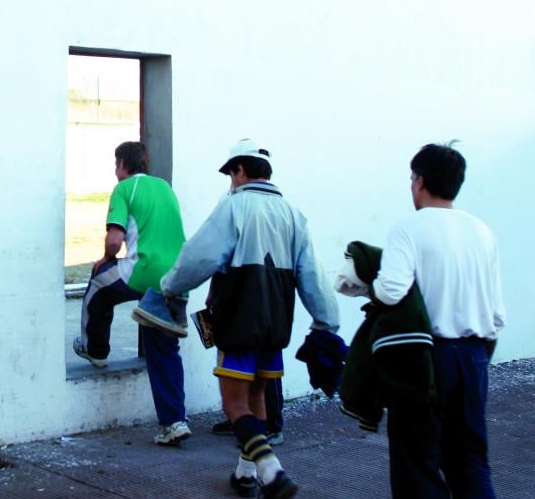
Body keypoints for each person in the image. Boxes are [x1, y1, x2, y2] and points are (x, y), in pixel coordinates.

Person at [161, 139, 341, 499]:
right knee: (258, 392)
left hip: (238, 319)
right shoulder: (293, 213)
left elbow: (199, 257)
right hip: (277, 325)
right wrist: (326, 322)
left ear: (240, 171)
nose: (230, 182)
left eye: (231, 174)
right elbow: (313, 277)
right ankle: (246, 472)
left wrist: (170, 285)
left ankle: (271, 470)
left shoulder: (235, 206)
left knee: (234, 403)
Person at [373, 143, 505, 498]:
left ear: (419, 182)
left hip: (426, 358)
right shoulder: (482, 231)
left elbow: (390, 291)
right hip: (475, 356)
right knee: (471, 460)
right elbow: (496, 314)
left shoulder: (409, 228)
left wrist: (363, 281)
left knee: (417, 463)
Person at [72, 141, 190, 446]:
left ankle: (94, 349)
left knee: (99, 282)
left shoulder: (124, 189)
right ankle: (174, 422)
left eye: (116, 164)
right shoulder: (165, 187)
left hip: (143, 272)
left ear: (123, 164)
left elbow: (114, 239)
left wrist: (106, 258)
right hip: (177, 276)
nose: (115, 170)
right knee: (163, 349)